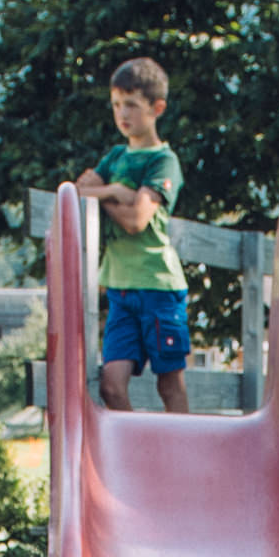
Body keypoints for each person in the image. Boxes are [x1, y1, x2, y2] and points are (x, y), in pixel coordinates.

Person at [71, 58, 190, 414]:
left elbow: (137, 219)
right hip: (121, 290)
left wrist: (107, 193)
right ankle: (138, 458)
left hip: (158, 287)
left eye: (132, 106)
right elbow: (79, 190)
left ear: (157, 109)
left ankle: (183, 457)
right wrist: (117, 192)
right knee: (112, 385)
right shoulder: (116, 156)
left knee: (169, 383)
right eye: (116, 105)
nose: (122, 114)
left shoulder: (163, 161)